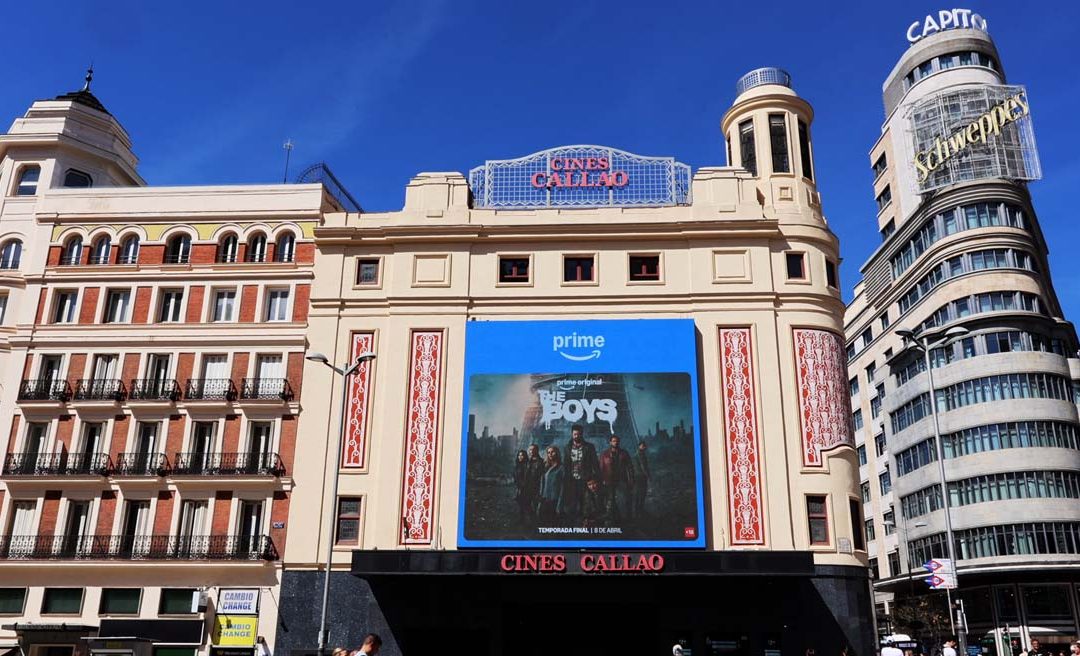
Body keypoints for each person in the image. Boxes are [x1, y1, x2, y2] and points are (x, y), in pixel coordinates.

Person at [562, 424, 599, 520]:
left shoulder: (589, 447)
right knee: (572, 503)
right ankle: (574, 523)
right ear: (572, 434)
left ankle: (585, 523)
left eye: (578, 434)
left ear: (582, 434)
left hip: (585, 479)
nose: (576, 436)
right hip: (572, 480)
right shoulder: (567, 448)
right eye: (575, 434)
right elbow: (566, 465)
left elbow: (595, 463)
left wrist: (596, 478)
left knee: (586, 502)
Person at [598, 434, 634, 522]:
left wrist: (631, 479)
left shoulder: (624, 453)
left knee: (626, 499)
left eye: (617, 441)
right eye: (614, 441)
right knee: (611, 500)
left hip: (622, 479)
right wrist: (601, 480)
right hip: (608, 480)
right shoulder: (605, 454)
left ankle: (627, 519)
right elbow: (601, 468)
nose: (616, 442)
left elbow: (630, 467)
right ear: (610, 442)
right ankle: (613, 519)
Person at [538, 446, 565, 524]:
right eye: (548, 452)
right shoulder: (546, 467)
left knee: (553, 525)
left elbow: (562, 488)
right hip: (544, 499)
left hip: (555, 501)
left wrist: (559, 505)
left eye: (552, 452)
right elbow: (542, 484)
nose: (550, 454)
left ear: (557, 453)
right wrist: (540, 499)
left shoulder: (561, 468)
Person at [524, 444, 544, 519]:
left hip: (536, 488)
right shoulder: (528, 462)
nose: (531, 451)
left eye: (533, 449)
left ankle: (536, 523)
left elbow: (541, 477)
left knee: (536, 507)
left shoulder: (541, 462)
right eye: (530, 450)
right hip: (528, 488)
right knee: (527, 505)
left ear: (537, 451)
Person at [631, 440, 650, 519]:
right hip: (641, 477)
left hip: (637, 477)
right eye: (642, 446)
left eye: (644, 446)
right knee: (641, 494)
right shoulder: (640, 455)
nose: (644, 447)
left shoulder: (636, 454)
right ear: (639, 446)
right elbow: (643, 467)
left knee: (638, 494)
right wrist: (648, 476)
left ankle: (637, 511)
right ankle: (639, 512)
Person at [512, 450, 529, 520]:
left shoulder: (527, 465)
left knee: (525, 504)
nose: (520, 457)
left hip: (525, 487)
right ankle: (521, 519)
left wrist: (522, 486)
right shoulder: (517, 465)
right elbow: (515, 476)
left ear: (525, 456)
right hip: (519, 486)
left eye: (522, 455)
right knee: (520, 504)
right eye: (519, 455)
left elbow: (526, 477)